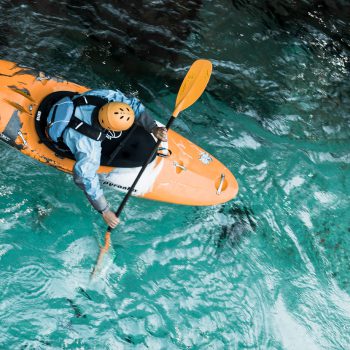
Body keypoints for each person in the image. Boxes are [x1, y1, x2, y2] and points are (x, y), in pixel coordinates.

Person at [46, 89, 167, 228]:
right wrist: (105, 211)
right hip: (64, 132)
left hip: (66, 104)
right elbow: (84, 178)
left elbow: (131, 103)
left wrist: (153, 128)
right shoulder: (89, 148)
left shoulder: (101, 96)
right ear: (111, 131)